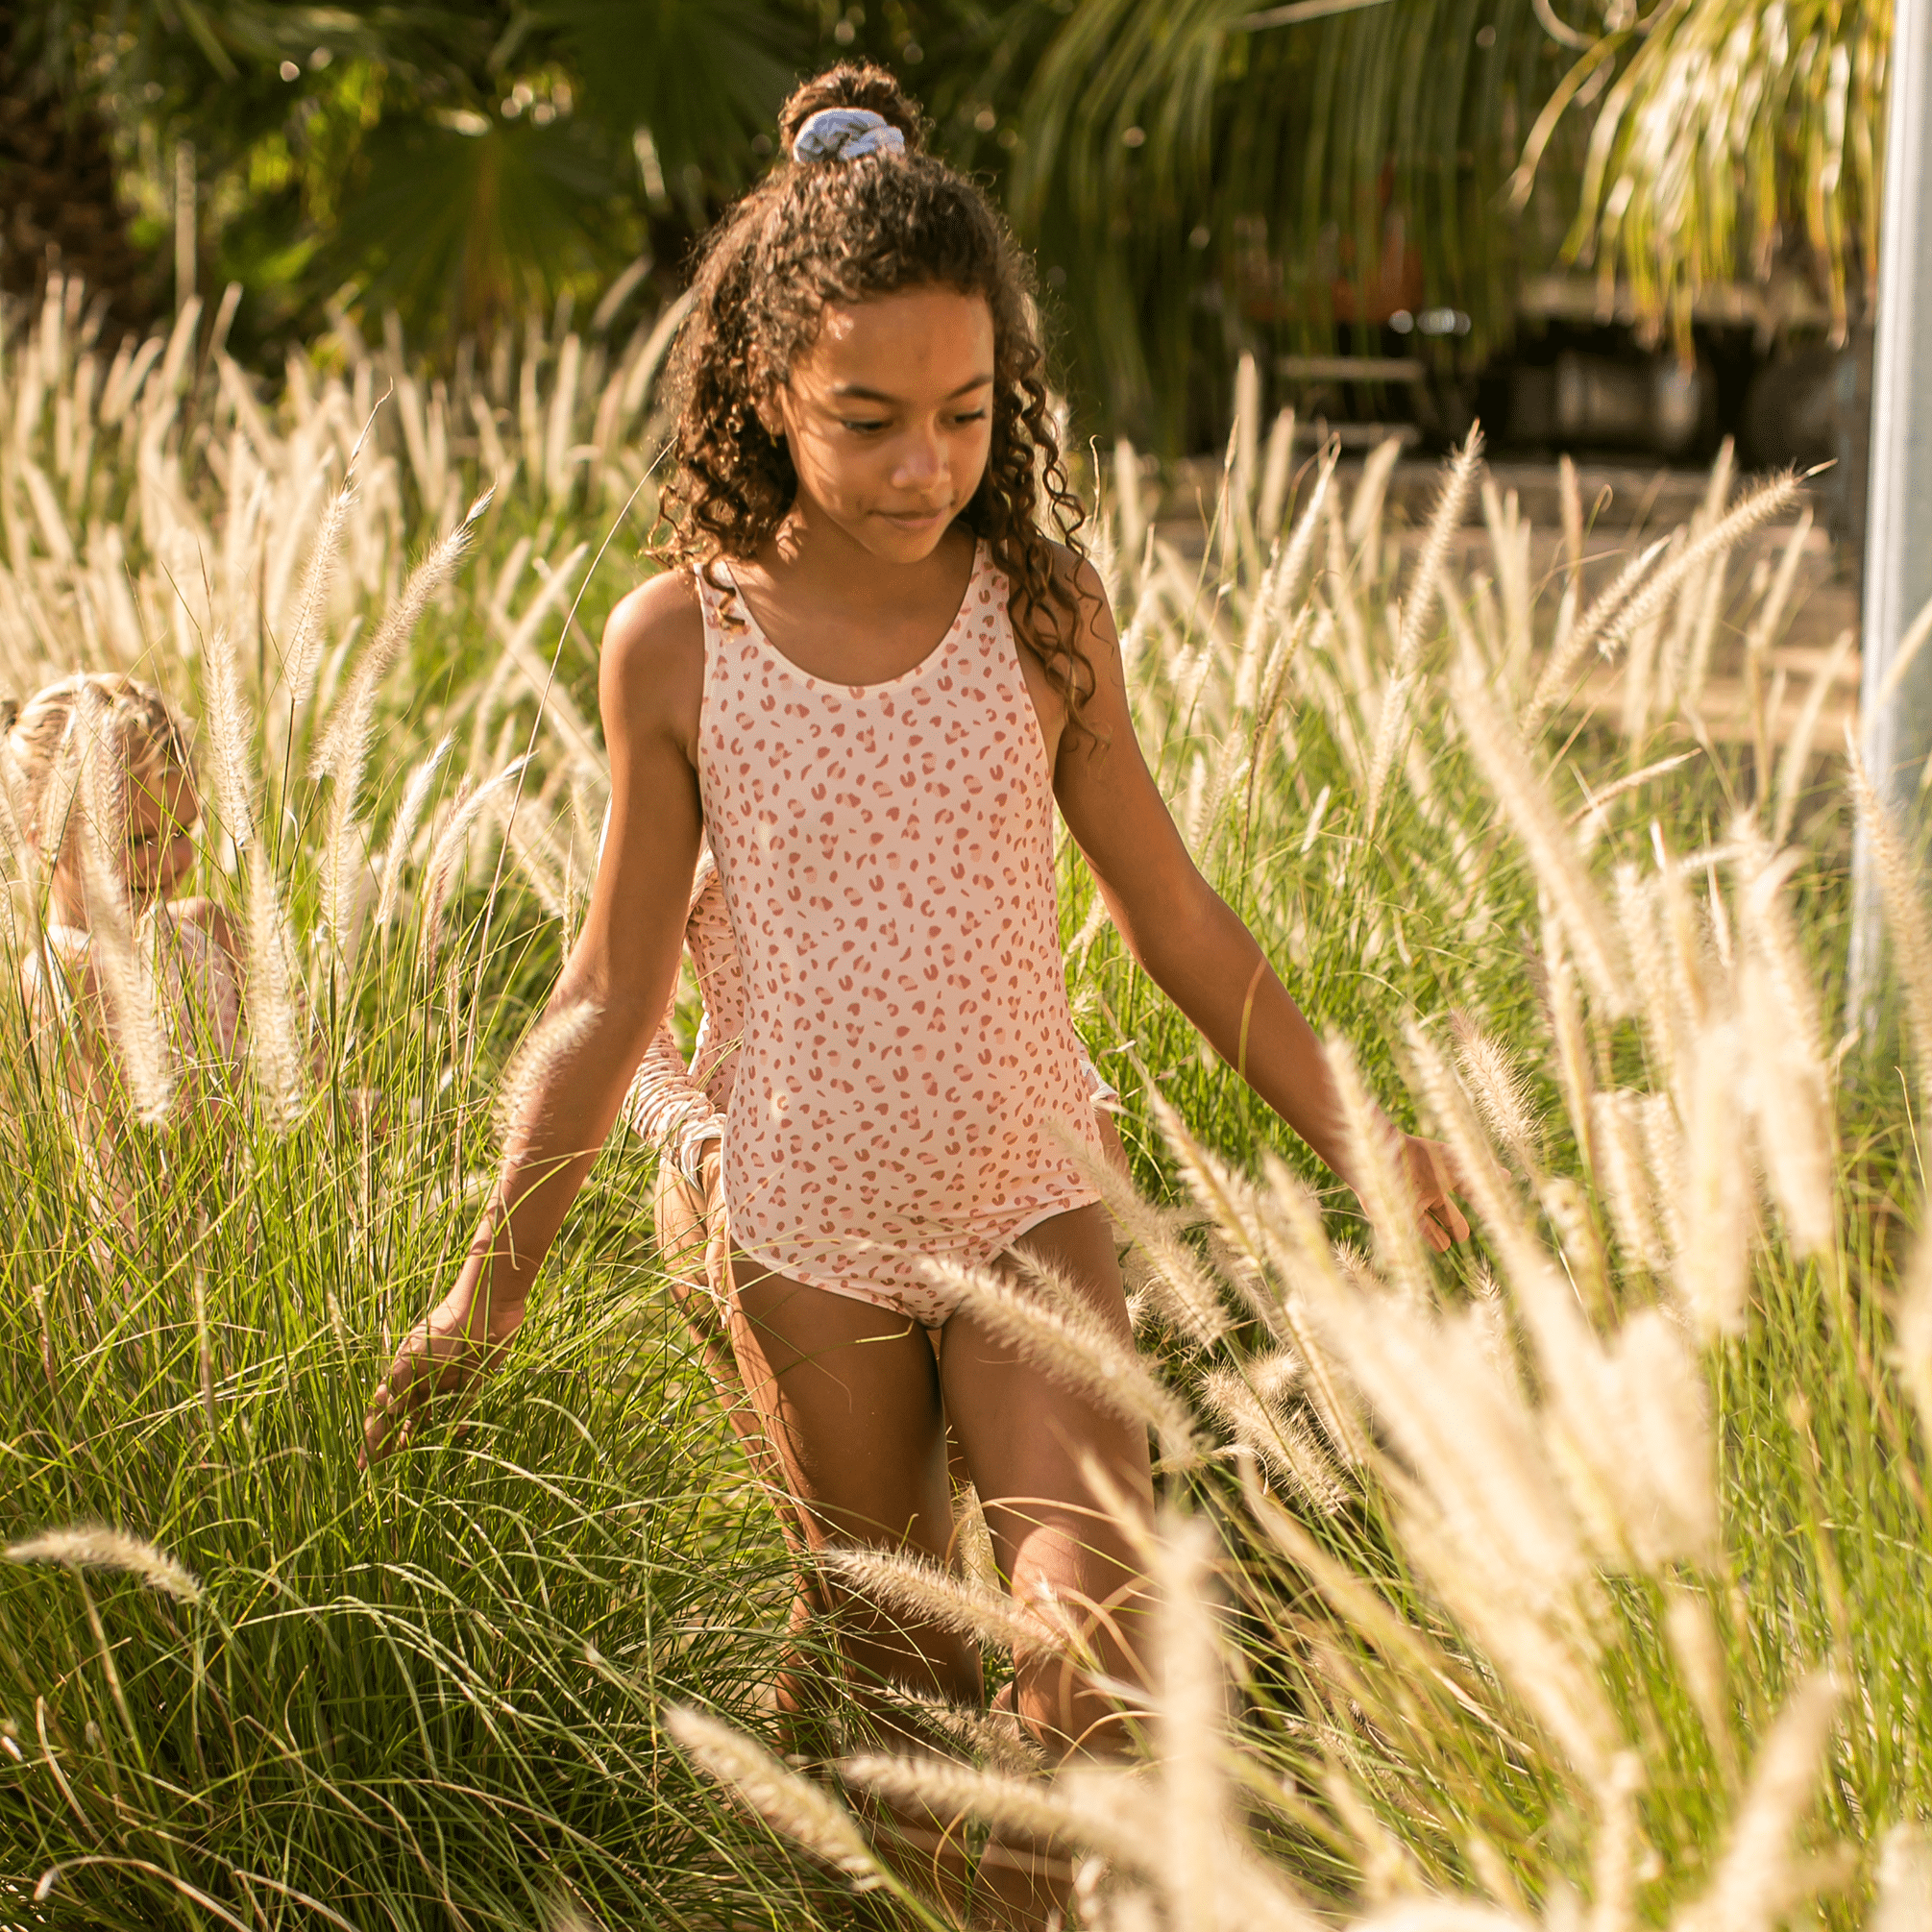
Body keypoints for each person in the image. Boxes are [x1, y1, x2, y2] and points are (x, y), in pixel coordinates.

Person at [362, 62, 1465, 1922]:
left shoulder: (1042, 609)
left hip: (1030, 1188)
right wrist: (494, 1278)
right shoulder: (677, 643)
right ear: (762, 390)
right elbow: (608, 990)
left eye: (964, 415)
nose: (921, 464)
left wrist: (1365, 1132)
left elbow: (1177, 918)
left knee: (1083, 1646)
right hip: (807, 1223)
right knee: (904, 1686)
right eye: (866, 418)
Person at [3, 673, 245, 1149]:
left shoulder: (211, 929)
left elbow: (326, 1089)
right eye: (137, 839)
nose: (174, 861)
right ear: (39, 831)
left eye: (183, 831)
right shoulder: (57, 981)